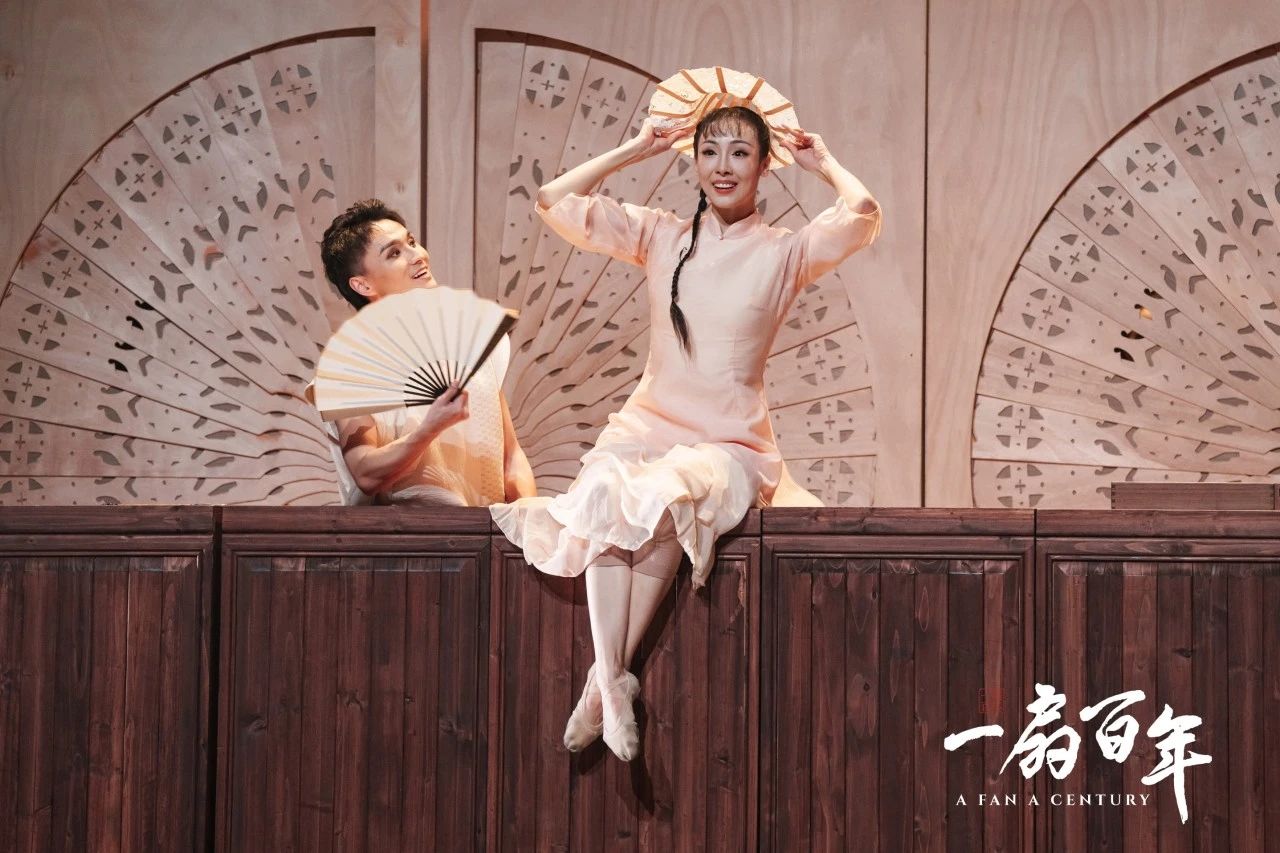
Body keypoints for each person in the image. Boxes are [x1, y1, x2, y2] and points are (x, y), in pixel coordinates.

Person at [490, 80, 881, 761]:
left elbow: (864, 212)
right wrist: (635, 150)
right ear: (693, 161)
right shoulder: (661, 235)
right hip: (648, 426)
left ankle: (602, 683)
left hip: (730, 440)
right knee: (607, 490)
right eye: (709, 151)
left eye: (740, 152)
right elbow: (554, 200)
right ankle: (612, 680)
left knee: (669, 494)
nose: (723, 166)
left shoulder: (786, 251)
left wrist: (823, 163)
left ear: (764, 166)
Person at [315, 199, 536, 505]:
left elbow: (511, 458)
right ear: (363, 285)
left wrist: (527, 521)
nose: (417, 255)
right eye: (394, 253)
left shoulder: (471, 345)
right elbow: (365, 473)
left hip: (487, 530)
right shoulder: (349, 367)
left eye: (411, 242)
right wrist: (430, 428)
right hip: (407, 533)